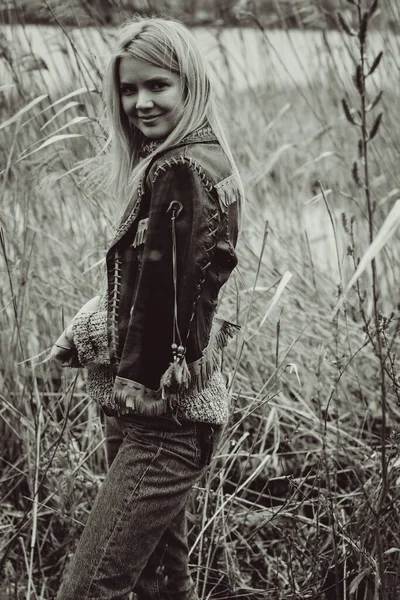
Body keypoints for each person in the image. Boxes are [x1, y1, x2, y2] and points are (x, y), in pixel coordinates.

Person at [51, 15, 244, 600]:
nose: (140, 102)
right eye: (129, 89)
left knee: (88, 589)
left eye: (157, 85)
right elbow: (163, 281)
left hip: (162, 425)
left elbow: (174, 301)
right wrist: (93, 326)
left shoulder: (178, 169)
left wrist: (135, 386)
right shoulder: (200, 157)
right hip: (172, 416)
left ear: (189, 82)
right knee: (160, 585)